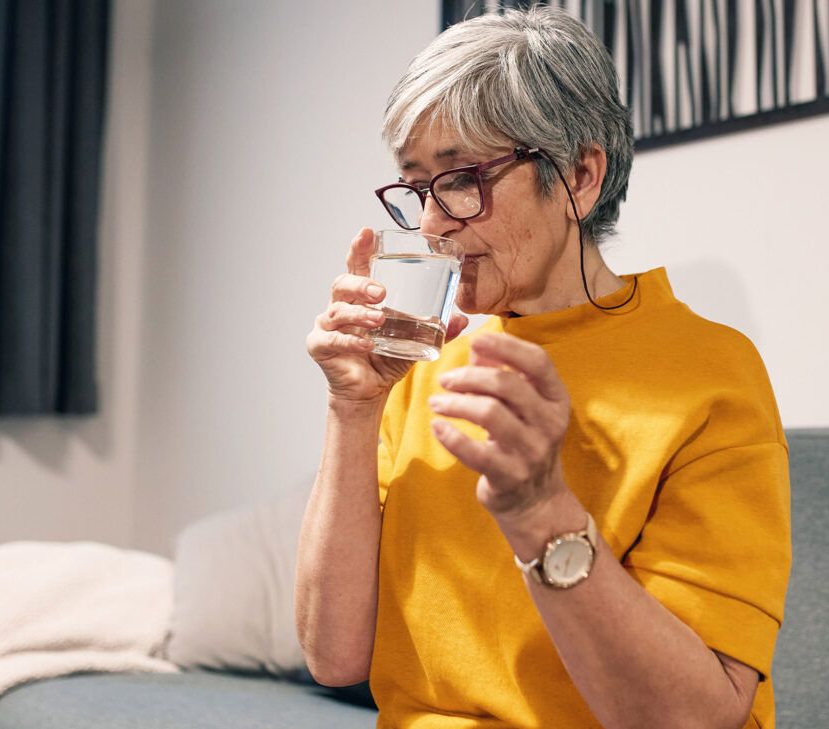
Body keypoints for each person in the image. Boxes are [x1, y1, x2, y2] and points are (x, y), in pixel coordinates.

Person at [298, 7, 790, 729]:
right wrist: (352, 407)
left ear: (579, 177)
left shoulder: (708, 373)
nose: (432, 223)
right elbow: (333, 656)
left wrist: (539, 510)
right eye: (417, 186)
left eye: (462, 178)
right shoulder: (427, 357)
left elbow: (693, 716)